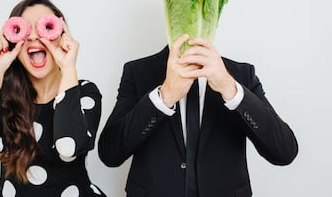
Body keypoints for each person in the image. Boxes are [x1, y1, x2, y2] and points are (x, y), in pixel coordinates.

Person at [98, 34, 298, 197]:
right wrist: (163, 97)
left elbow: (284, 152)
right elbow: (109, 153)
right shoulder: (138, 72)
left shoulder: (241, 74)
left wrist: (230, 88)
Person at [0, 0, 106, 197]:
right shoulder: (4, 93)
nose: (32, 37)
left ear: (62, 34)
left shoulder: (84, 92)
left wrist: (67, 67)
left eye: (46, 28)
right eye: (23, 30)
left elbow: (69, 146)